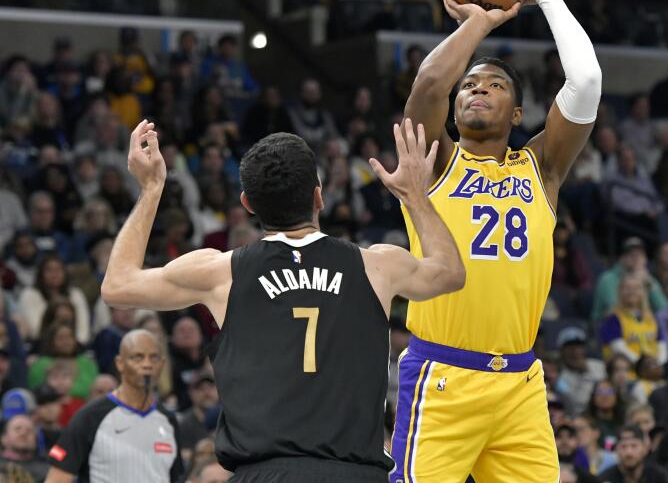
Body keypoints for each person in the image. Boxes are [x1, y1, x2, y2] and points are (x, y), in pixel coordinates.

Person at [99, 119, 465, 481]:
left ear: (248, 204)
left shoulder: (219, 271)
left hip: (264, 473)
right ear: (318, 195)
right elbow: (450, 272)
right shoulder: (378, 265)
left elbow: (117, 286)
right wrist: (415, 196)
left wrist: (151, 188)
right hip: (355, 473)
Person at [391, 0, 601, 483]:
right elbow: (431, 84)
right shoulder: (433, 164)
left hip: (520, 384)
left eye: (496, 84)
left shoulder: (542, 169)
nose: (477, 88)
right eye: (471, 84)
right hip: (443, 376)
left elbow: (587, 81)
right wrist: (477, 24)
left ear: (519, 112)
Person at [44, 330, 184, 482]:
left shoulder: (168, 421)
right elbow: (57, 478)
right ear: (120, 363)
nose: (147, 364)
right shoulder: (90, 417)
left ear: (162, 364)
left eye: (154, 357)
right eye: (138, 357)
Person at [593, 237, 667, 322]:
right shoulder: (607, 279)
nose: (636, 258)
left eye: (640, 255)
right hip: (607, 325)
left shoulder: (649, 279)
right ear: (622, 258)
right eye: (631, 255)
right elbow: (615, 308)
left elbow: (664, 311)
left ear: (645, 259)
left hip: (640, 327)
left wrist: (649, 284)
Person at [599, 273, 667, 365]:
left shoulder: (653, 318)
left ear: (643, 292)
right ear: (619, 292)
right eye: (627, 288)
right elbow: (619, 348)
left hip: (652, 372)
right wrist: (642, 365)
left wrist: (658, 364)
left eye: (637, 288)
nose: (632, 291)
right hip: (625, 374)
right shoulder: (612, 319)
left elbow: (662, 345)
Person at [597, 424, 668, 483]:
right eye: (623, 446)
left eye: (634, 446)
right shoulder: (605, 479)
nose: (629, 452)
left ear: (645, 448)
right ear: (616, 450)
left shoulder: (659, 477)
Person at [0, 414, 50, 481]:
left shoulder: (49, 471)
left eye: (29, 430)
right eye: (17, 429)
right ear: (3, 438)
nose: (23, 433)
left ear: (35, 440)